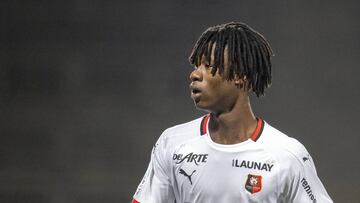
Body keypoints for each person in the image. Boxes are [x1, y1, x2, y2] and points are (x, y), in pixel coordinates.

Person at [131, 22, 333, 203]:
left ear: (239, 76)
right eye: (196, 66)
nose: (194, 74)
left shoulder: (287, 155)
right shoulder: (173, 143)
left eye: (208, 66)